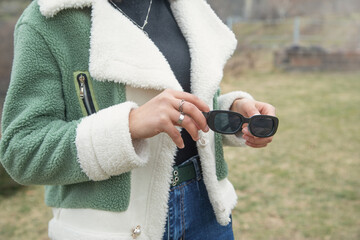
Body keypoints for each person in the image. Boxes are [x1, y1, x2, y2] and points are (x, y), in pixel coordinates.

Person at [0, 0, 275, 239]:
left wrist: (234, 112)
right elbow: (20, 149)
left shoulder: (187, 7)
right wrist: (129, 125)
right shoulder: (49, 18)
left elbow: (188, 104)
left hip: (207, 212)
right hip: (113, 229)